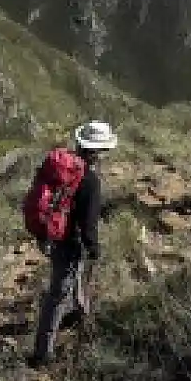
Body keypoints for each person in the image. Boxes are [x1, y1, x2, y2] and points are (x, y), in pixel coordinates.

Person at [29, 120, 116, 368]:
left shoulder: (65, 169)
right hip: (70, 241)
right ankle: (42, 354)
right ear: (99, 151)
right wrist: (94, 247)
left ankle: (79, 312)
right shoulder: (90, 180)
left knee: (70, 279)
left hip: (53, 236)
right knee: (57, 295)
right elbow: (88, 225)